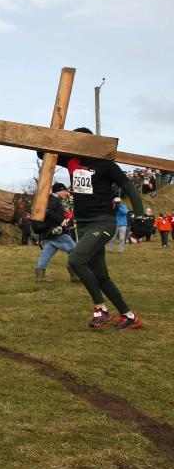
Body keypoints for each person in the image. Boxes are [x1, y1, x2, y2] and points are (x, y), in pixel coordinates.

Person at [48, 128, 146, 329]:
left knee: (75, 260)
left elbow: (130, 188)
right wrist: (59, 135)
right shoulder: (71, 161)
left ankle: (101, 309)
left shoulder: (106, 165)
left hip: (103, 222)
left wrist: (141, 216)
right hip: (82, 223)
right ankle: (128, 316)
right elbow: (42, 152)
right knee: (101, 275)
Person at [32, 182, 80, 283]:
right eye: (64, 191)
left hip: (50, 232)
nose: (66, 193)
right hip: (56, 232)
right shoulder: (54, 200)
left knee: (46, 254)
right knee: (75, 251)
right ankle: (74, 274)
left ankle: (40, 276)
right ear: (58, 191)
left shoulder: (52, 199)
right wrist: (61, 220)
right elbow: (48, 211)